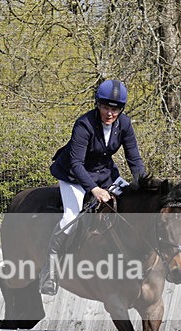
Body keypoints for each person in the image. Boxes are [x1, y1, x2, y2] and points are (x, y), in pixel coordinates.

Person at [39, 79, 147, 295]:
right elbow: (77, 163)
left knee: (129, 204)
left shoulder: (124, 124)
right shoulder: (84, 124)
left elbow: (134, 159)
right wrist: (94, 190)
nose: (110, 113)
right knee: (70, 219)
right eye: (106, 107)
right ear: (98, 105)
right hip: (74, 176)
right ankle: (49, 272)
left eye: (115, 108)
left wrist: (143, 187)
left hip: (105, 174)